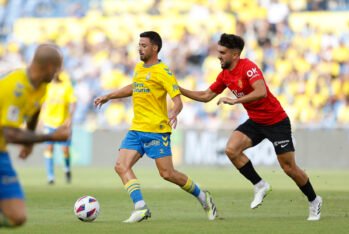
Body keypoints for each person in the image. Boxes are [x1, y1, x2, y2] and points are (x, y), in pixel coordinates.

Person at [179, 33, 322, 221]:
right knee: (231, 149)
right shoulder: (224, 74)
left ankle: (314, 200)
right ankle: (260, 184)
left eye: (222, 52)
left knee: (289, 168)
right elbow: (206, 95)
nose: (218, 56)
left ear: (235, 54)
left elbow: (261, 92)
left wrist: (234, 100)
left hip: (276, 121)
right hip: (256, 121)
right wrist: (177, 89)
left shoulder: (249, 68)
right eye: (218, 51)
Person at [94, 31, 217, 223]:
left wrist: (174, 112)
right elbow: (134, 87)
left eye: (143, 45)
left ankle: (203, 196)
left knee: (167, 174)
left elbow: (178, 101)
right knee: (121, 166)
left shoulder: (164, 72)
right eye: (139, 45)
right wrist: (109, 96)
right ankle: (140, 207)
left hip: (157, 130)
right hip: (136, 129)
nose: (139, 48)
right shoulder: (139, 68)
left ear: (155, 48)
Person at [0, 44, 70, 228]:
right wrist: (51, 137)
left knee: (18, 218)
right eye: (57, 68)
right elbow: (9, 134)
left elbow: (34, 112)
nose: (58, 73)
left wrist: (29, 143)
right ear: (48, 67)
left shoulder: (41, 87)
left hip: (1, 153)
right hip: (4, 143)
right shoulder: (16, 87)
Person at [40, 74, 76, 184]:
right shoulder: (46, 86)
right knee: (49, 148)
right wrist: (41, 118)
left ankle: (67, 168)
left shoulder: (66, 86)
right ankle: (50, 176)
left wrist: (70, 118)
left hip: (62, 124)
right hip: (49, 122)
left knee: (65, 150)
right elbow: (43, 103)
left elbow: (73, 103)